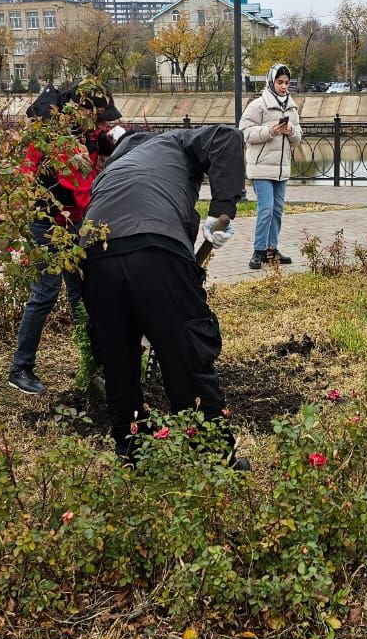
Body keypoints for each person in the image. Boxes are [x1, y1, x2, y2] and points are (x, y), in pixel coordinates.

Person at [80, 123, 245, 465]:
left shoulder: (111, 171)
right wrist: (223, 209)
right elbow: (226, 137)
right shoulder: (175, 141)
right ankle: (214, 456)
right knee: (185, 352)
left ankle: (132, 451)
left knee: (119, 362)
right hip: (155, 248)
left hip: (95, 256)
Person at [7, 80, 125, 395]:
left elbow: (100, 148)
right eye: (99, 116)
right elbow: (81, 190)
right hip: (46, 224)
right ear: (80, 108)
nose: (103, 123)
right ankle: (20, 368)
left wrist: (116, 140)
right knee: (45, 293)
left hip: (73, 224)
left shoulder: (85, 134)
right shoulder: (53, 137)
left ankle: (92, 362)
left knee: (80, 295)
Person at [239, 63, 302, 269]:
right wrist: (271, 131)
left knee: (277, 210)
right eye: (280, 82)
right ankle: (258, 250)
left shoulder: (292, 107)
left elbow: (298, 139)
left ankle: (271, 250)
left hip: (281, 169)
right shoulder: (258, 105)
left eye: (286, 83)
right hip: (261, 168)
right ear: (271, 81)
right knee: (265, 209)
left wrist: (291, 130)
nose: (284, 87)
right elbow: (245, 133)